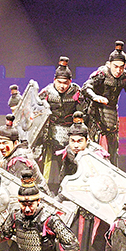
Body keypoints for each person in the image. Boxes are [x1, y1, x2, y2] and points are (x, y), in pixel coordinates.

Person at [55, 112, 110, 251]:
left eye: (79, 141)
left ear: (87, 140)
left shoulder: (98, 154)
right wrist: (60, 197)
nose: (76, 145)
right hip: (76, 198)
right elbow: (65, 176)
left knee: (94, 235)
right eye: (72, 141)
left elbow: (107, 179)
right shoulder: (68, 152)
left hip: (95, 200)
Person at [82, 41, 126, 167]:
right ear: (109, 63)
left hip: (112, 115)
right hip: (95, 113)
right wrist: (95, 97)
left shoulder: (125, 78)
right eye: (115, 66)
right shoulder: (102, 74)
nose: (118, 70)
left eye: (121, 67)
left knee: (112, 149)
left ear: (125, 66)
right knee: (94, 147)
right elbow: (86, 87)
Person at [38, 56, 85, 194]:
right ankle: (49, 190)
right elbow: (37, 112)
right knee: (50, 166)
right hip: (51, 133)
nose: (62, 86)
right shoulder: (47, 92)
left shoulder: (76, 92)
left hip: (71, 134)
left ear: (70, 81)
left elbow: (82, 113)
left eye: (65, 82)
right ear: (54, 80)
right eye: (59, 82)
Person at [0, 115, 51, 195]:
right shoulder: (12, 154)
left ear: (15, 143)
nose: (1, 147)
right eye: (0, 143)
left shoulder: (19, 162)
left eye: (5, 143)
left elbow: (19, 189)